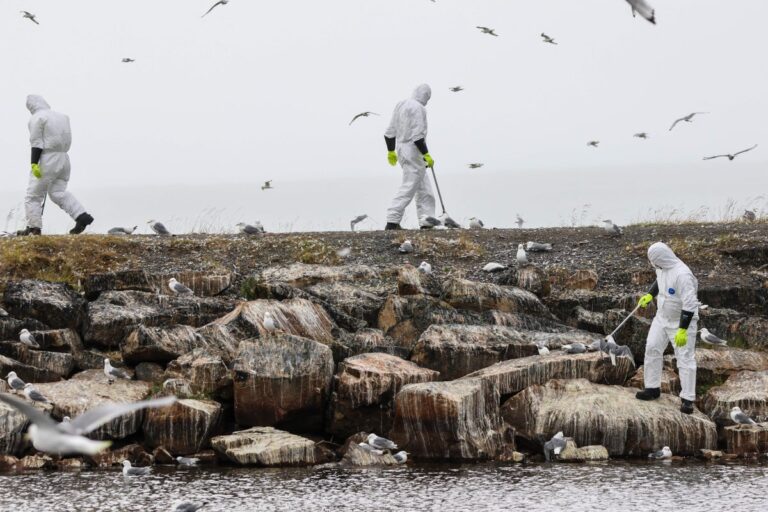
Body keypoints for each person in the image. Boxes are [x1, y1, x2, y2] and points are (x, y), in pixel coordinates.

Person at [635, 242, 699, 414]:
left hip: (681, 322)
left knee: (685, 358)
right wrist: (650, 294)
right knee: (652, 348)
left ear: (661, 257)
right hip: (662, 317)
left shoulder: (682, 275)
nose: (652, 264)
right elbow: (659, 281)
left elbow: (690, 303)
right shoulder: (662, 266)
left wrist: (683, 329)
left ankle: (688, 399)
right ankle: (652, 388)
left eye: (653, 260)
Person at [17, 95, 94, 236]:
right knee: (58, 192)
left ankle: (34, 228)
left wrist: (34, 163)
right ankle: (82, 216)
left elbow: (37, 143)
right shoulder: (63, 117)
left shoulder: (37, 118)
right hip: (64, 158)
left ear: (31, 106)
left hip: (47, 159)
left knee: (33, 195)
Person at [383, 84, 436, 230]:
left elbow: (389, 132)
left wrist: (391, 150)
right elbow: (418, 136)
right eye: (428, 97)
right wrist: (426, 154)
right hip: (413, 151)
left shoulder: (401, 104)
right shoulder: (419, 108)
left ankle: (427, 220)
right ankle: (392, 220)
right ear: (425, 95)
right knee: (410, 185)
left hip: (401, 149)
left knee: (424, 187)